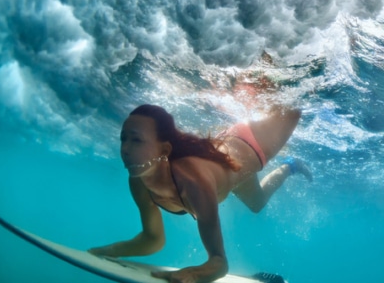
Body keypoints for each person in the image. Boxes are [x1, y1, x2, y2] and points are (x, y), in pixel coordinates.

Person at [89, 104, 311, 283]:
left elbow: (219, 263)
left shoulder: (193, 181)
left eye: (136, 140)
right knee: (257, 203)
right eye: (123, 139)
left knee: (293, 102)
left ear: (164, 150)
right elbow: (153, 239)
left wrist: (195, 275)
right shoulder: (138, 180)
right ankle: (290, 166)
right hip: (232, 163)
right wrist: (108, 250)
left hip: (255, 142)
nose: (125, 149)